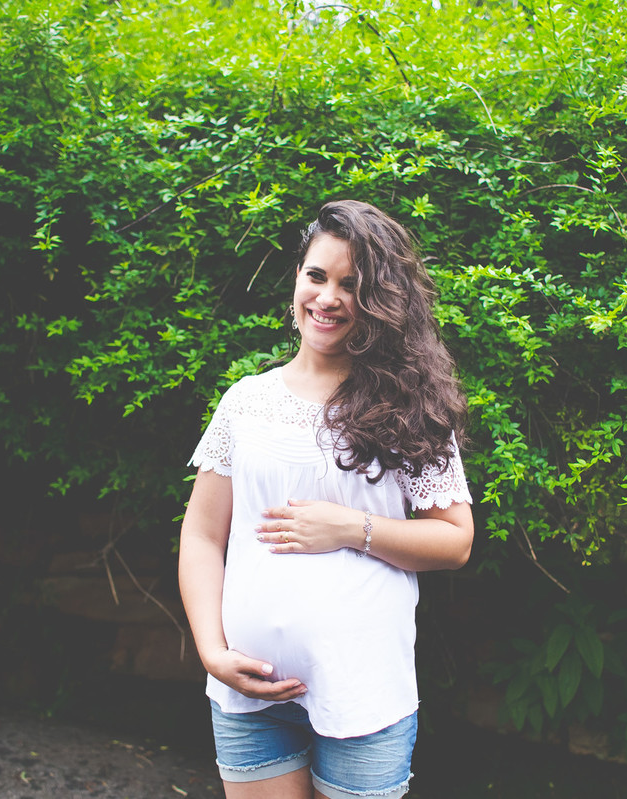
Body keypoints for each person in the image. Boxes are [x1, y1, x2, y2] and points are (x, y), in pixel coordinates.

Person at [178, 200, 473, 799]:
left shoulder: (408, 407)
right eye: (317, 276)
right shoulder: (246, 401)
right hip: (250, 694)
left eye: (352, 285)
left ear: (383, 302)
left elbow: (455, 540)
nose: (328, 297)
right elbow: (202, 536)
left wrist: (350, 527)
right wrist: (211, 650)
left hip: (363, 695)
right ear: (297, 281)